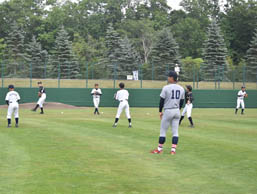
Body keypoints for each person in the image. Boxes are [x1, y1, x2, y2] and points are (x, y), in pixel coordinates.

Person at [151, 71, 185, 155]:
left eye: (168, 77)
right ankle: (173, 150)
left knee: (163, 131)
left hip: (168, 110)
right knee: (175, 132)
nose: (167, 78)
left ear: (171, 78)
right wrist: (178, 109)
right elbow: (182, 101)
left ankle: (159, 149)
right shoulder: (181, 88)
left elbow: (161, 101)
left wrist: (160, 111)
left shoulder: (166, 87)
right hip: (177, 110)